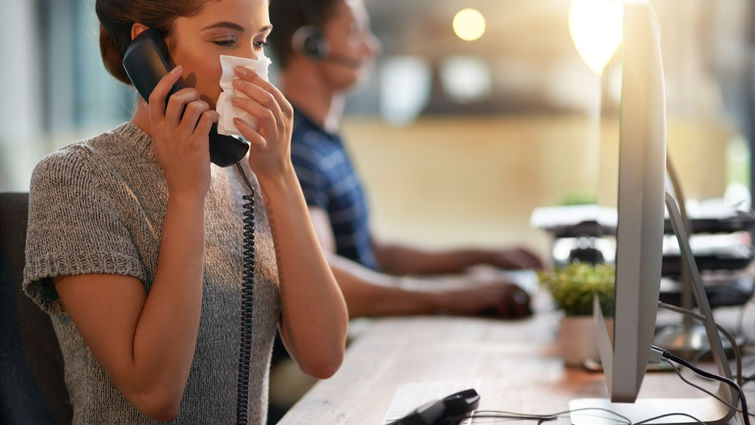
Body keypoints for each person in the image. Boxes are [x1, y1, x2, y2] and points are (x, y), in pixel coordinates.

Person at [22, 0, 348, 424]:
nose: (251, 65)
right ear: (151, 51)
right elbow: (155, 393)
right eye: (225, 40)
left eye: (260, 41)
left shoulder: (248, 171)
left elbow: (323, 355)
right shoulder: (77, 178)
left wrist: (281, 176)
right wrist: (186, 195)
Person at [268, 0, 544, 319]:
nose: (372, 47)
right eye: (355, 32)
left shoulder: (322, 138)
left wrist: (483, 257)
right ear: (311, 44)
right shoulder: (292, 146)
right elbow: (322, 279)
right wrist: (451, 296)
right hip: (332, 349)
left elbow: (374, 252)